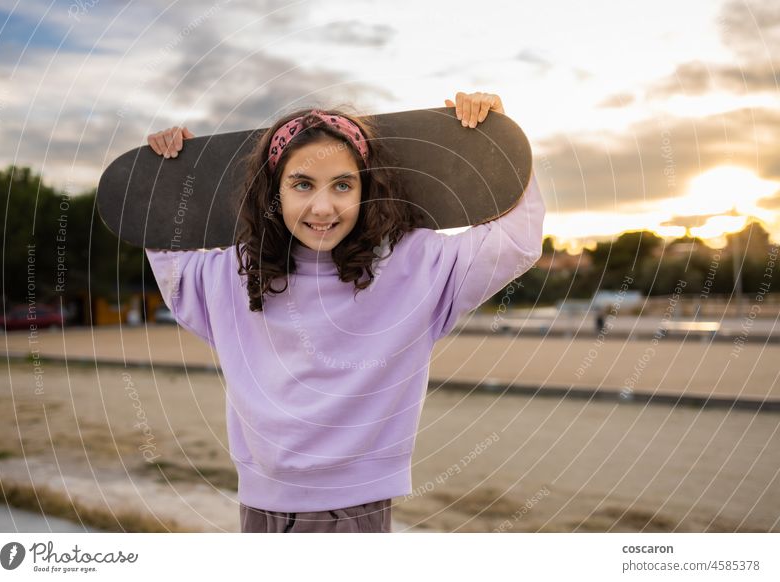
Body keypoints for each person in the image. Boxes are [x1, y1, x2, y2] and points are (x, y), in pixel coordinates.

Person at [145, 91, 546, 532]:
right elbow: (171, 261)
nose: (323, 207)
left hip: (353, 507)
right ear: (272, 192)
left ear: (365, 188)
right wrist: (165, 168)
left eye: (342, 184)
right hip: (260, 503)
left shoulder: (413, 265)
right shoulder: (237, 273)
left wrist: (502, 144)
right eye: (302, 185)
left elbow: (516, 242)